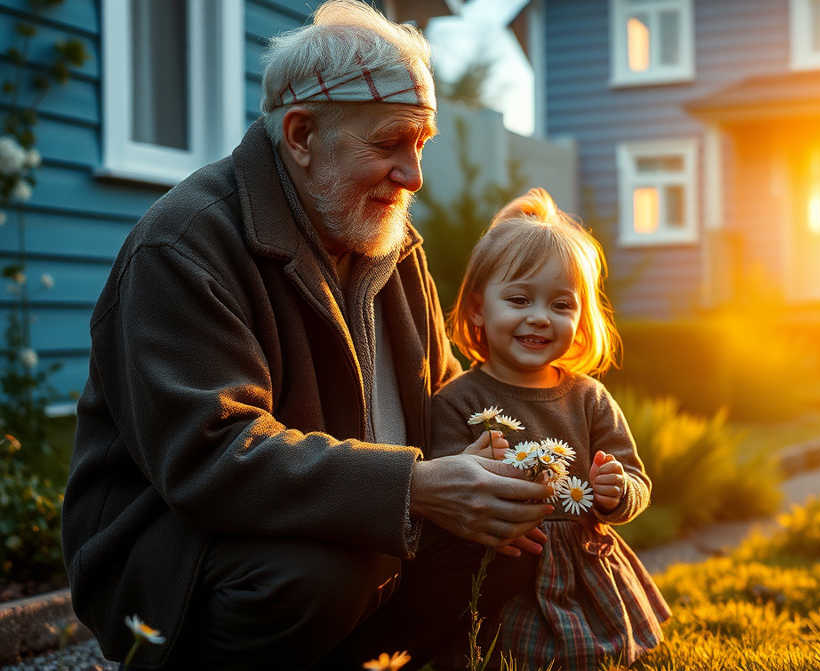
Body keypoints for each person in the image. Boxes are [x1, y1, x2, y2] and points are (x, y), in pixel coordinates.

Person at [60, 2, 552, 668]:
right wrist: (414, 487)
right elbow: (214, 454)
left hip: (346, 539)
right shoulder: (183, 246)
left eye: (421, 144)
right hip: (173, 565)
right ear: (300, 134)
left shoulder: (387, 242)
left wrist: (499, 460)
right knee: (323, 573)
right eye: (389, 143)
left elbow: (443, 399)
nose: (414, 175)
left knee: (508, 544)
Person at [430, 188, 673, 670]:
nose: (539, 317)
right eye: (519, 299)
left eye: (561, 305)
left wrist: (616, 490)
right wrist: (472, 471)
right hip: (503, 569)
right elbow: (444, 496)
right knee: (508, 655)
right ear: (478, 308)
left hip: (585, 568)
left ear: (581, 318)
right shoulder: (459, 401)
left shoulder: (588, 398)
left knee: (601, 656)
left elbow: (636, 481)